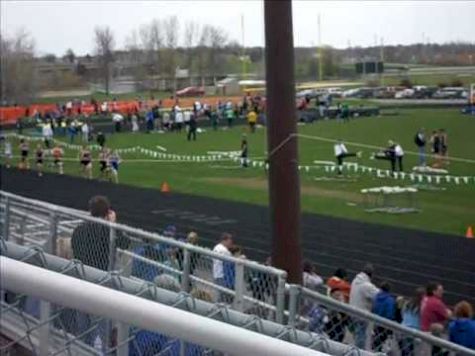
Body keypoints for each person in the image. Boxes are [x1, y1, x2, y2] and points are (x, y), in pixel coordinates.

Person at [349, 263, 380, 350]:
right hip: (362, 313)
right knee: (361, 337)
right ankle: (359, 352)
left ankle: (356, 350)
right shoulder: (366, 286)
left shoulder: (355, 281)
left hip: (352, 311)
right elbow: (378, 295)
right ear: (371, 274)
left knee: (358, 334)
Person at [421, 282, 452, 355]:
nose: (442, 292)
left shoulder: (425, 298)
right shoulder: (436, 302)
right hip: (430, 333)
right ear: (434, 291)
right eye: (440, 290)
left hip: (425, 330)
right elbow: (448, 315)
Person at [399, 287, 425, 356]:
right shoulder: (422, 307)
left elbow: (402, 314)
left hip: (403, 328)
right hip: (414, 332)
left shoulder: (407, 303)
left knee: (404, 352)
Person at [371, 282, 396, 352]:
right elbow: (390, 313)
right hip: (385, 323)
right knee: (385, 339)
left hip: (376, 321)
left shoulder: (376, 297)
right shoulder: (390, 300)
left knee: (377, 338)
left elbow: (373, 308)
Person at [212, 233, 233, 301]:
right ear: (224, 240)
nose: (230, 244)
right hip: (223, 275)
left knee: (221, 293)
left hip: (216, 273)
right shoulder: (224, 251)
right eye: (229, 242)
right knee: (224, 295)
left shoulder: (216, 247)